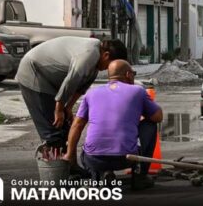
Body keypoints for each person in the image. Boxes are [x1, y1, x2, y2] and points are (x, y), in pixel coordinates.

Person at [63, 60, 162, 190]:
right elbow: (158, 117)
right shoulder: (138, 91)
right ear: (128, 74)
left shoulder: (91, 93)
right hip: (126, 158)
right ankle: (140, 177)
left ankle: (102, 174)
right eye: (134, 73)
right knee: (150, 125)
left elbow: (77, 125)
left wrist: (70, 155)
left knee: (87, 152)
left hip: (94, 159)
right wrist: (134, 117)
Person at [16, 37, 128, 151]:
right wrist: (59, 109)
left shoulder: (95, 65)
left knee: (66, 129)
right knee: (53, 130)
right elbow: (71, 80)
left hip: (50, 81)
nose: (108, 69)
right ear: (106, 55)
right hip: (34, 72)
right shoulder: (89, 54)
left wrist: (68, 107)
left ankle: (68, 164)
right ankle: (55, 167)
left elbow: (81, 88)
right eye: (110, 65)